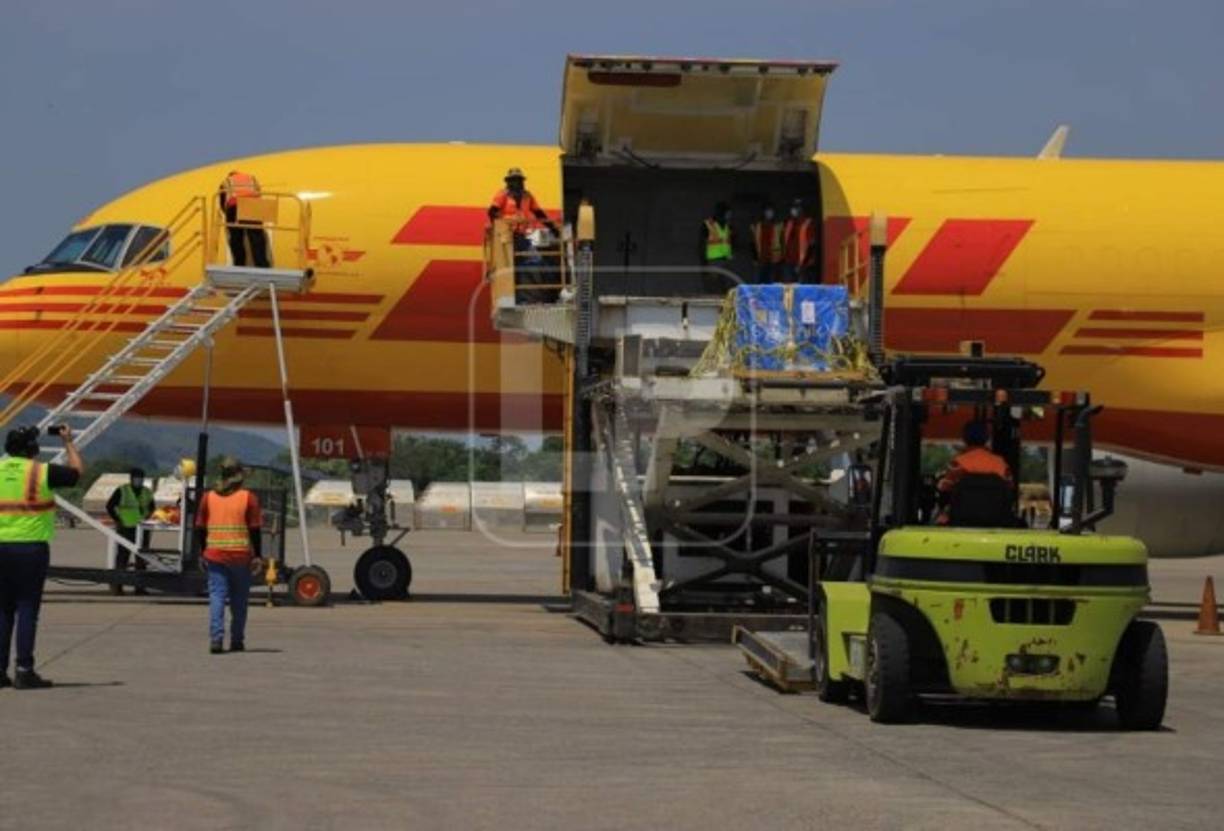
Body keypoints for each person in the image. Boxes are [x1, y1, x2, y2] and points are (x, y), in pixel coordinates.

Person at [0, 425, 84, 689]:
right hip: (30, 549)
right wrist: (68, 441)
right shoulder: (41, 471)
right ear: (31, 449)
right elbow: (77, 473)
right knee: (26, 608)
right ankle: (24, 669)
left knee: (2, 610)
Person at [194, 457, 263, 654]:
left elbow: (199, 527)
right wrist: (258, 555)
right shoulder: (248, 498)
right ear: (239, 477)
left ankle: (216, 640)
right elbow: (255, 529)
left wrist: (202, 552)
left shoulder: (208, 497)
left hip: (215, 555)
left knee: (217, 597)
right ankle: (237, 640)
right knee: (239, 600)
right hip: (240, 557)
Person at [488, 168, 559, 302]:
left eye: (519, 180)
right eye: (514, 180)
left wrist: (553, 228)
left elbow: (539, 213)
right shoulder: (502, 195)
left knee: (534, 261)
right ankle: (520, 295)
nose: (517, 183)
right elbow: (492, 212)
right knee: (517, 265)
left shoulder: (528, 196)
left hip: (521, 236)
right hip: (507, 237)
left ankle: (529, 295)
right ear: (508, 182)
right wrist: (503, 226)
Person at [936, 421, 1013, 524]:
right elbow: (1009, 488)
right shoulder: (1001, 463)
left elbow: (944, 489)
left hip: (961, 518)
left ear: (964, 438)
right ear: (987, 438)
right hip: (996, 519)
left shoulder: (958, 463)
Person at [105, 467, 155, 596]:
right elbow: (110, 506)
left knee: (142, 558)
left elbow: (152, 507)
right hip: (126, 527)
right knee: (123, 557)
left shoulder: (147, 492)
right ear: (131, 478)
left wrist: (148, 517)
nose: (138, 480)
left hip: (142, 528)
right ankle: (117, 587)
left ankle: (140, 587)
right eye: (136, 478)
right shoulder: (122, 490)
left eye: (140, 478)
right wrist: (117, 519)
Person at [218, 170, 270, 268]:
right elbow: (259, 193)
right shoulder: (251, 178)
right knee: (256, 236)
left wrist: (227, 213)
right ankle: (261, 264)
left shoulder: (227, 181)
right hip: (252, 204)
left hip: (234, 206)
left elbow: (222, 199)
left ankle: (239, 263)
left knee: (236, 237)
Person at [699, 202, 736, 295]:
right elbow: (701, 246)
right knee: (714, 288)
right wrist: (704, 263)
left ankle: (725, 307)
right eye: (728, 213)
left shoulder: (728, 226)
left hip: (726, 261)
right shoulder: (708, 225)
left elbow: (729, 242)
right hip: (713, 261)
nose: (729, 216)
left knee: (727, 289)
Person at [782, 197, 819, 283]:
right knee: (789, 289)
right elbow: (784, 242)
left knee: (803, 290)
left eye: (796, 208)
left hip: (804, 265)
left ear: (802, 209)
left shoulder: (808, 223)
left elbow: (812, 245)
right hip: (789, 264)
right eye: (793, 207)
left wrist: (803, 265)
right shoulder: (789, 223)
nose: (793, 210)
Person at [749, 204, 784, 283]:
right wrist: (754, 258)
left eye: (771, 211)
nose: (769, 213)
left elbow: (783, 242)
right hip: (760, 259)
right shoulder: (757, 226)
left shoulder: (778, 226)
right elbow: (752, 242)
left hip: (774, 260)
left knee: (771, 283)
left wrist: (782, 258)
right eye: (767, 211)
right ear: (763, 212)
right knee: (758, 282)